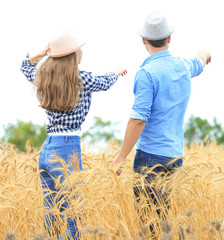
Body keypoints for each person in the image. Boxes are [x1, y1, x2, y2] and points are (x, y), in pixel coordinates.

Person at [112, 11, 211, 234]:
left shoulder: (146, 74)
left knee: (149, 226)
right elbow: (200, 61)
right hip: (175, 158)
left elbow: (138, 119)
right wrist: (205, 54)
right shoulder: (184, 66)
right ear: (169, 38)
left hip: (149, 159)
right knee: (165, 222)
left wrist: (121, 156)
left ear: (143, 40)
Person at [20, 31, 127, 240]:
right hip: (67, 149)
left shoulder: (44, 76)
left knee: (51, 216)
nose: (81, 50)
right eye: (78, 48)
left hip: (47, 149)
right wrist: (116, 71)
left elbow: (24, 66)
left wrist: (43, 52)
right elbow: (104, 82)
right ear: (72, 54)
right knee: (73, 215)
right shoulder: (81, 78)